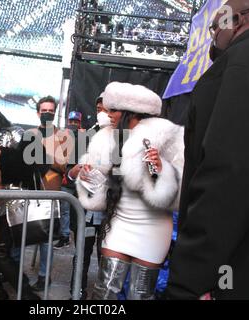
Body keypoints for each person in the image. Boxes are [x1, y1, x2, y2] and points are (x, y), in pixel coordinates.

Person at [165, 0, 249, 300]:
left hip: (238, 273)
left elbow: (231, 177)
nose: (211, 34)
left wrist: (190, 281)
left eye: (214, 26)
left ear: (235, 20)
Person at [76, 82, 184, 300]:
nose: (107, 115)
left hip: (153, 227)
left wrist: (163, 171)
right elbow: (100, 193)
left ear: (131, 111)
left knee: (140, 294)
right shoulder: (104, 137)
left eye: (113, 110)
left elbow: (182, 191)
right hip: (118, 223)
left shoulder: (167, 134)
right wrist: (88, 176)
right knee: (104, 291)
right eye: (107, 110)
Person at [0, 104, 44, 300]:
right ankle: (2, 292)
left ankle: (18, 293)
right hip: (9, 201)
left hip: (0, 203)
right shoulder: (22, 134)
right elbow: (42, 163)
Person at [67, 93, 110, 300]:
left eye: (107, 110)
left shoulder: (122, 138)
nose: (103, 114)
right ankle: (77, 294)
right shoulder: (83, 137)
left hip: (109, 213)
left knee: (107, 259)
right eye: (100, 109)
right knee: (81, 256)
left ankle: (103, 298)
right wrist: (75, 171)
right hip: (85, 212)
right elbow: (69, 172)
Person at [28, 96, 71, 291]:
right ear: (38, 112)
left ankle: (44, 276)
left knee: (47, 239)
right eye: (43, 110)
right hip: (29, 192)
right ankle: (12, 273)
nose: (47, 113)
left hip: (51, 194)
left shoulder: (63, 136)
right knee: (20, 236)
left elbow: (63, 165)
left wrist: (42, 154)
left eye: (50, 110)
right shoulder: (30, 133)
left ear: (55, 113)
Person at [54, 111, 84, 250]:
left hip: (81, 180)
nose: (73, 124)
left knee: (81, 210)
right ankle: (65, 236)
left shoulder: (86, 136)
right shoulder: (62, 136)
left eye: (75, 122)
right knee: (64, 209)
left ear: (79, 122)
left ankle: (79, 236)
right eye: (71, 121)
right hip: (66, 177)